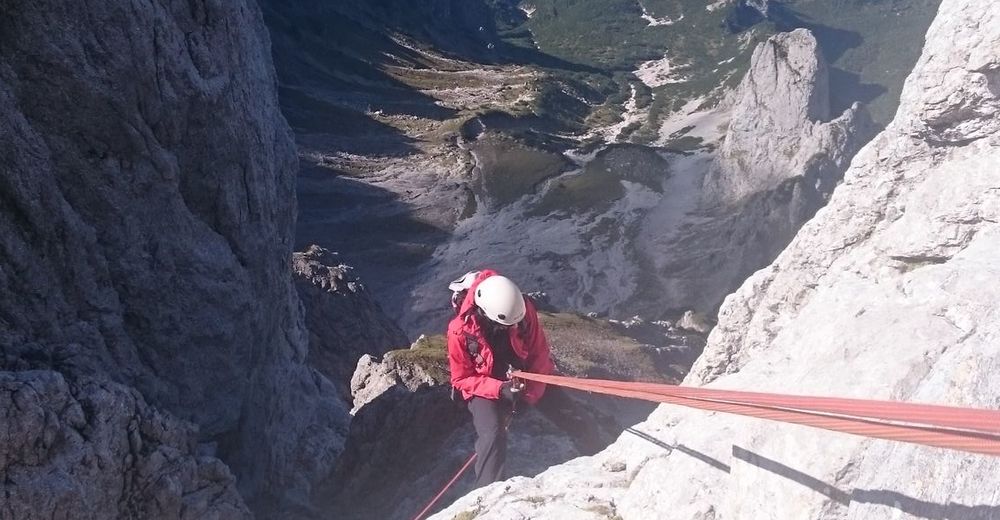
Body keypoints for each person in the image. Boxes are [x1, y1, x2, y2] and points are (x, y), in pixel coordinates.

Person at [446, 269, 555, 488]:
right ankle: (487, 495)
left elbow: (539, 354)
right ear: (485, 314)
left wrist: (530, 395)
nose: (515, 328)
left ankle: (599, 451)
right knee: (492, 434)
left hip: (520, 372)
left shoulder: (523, 310)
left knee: (567, 409)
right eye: (508, 326)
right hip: (481, 383)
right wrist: (499, 389)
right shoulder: (459, 331)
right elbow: (461, 379)